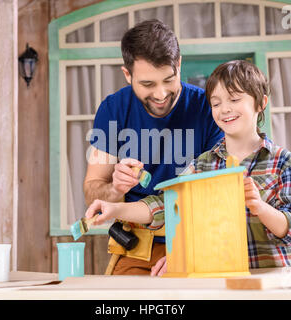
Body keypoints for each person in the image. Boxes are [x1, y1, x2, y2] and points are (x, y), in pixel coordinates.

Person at [85, 60, 291, 276]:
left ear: (260, 103)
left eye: (234, 100)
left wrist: (260, 208)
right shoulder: (203, 164)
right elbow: (163, 205)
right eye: (216, 103)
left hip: (274, 281)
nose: (224, 109)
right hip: (220, 280)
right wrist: (114, 209)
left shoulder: (284, 162)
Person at [83, 19, 223, 275]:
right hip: (136, 248)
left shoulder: (208, 108)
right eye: (148, 84)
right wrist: (115, 188)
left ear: (179, 65)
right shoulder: (112, 110)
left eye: (169, 80)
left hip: (198, 243)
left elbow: (220, 194)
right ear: (128, 75)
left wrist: (187, 249)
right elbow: (92, 192)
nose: (160, 94)